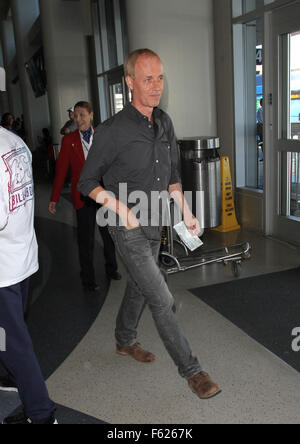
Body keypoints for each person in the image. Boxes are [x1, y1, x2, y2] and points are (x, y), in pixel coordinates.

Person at [78, 49, 221, 400]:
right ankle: (193, 371)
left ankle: (124, 340)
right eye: (147, 79)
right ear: (130, 82)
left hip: (156, 220)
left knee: (142, 286)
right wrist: (119, 209)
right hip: (125, 226)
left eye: (159, 78)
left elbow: (171, 176)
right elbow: (86, 182)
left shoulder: (165, 122)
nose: (156, 86)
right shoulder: (111, 131)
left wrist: (185, 211)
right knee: (161, 296)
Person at [0, 67, 57, 425]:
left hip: (3, 271)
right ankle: (9, 377)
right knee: (11, 334)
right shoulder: (14, 141)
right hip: (22, 260)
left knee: (14, 343)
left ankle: (41, 413)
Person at [49, 101, 121, 292]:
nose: (79, 119)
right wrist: (54, 197)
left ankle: (111, 268)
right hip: (83, 195)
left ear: (91, 116)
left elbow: (114, 165)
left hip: (103, 192)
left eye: (83, 115)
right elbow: (61, 170)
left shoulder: (103, 137)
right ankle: (88, 278)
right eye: (76, 115)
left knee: (108, 235)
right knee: (85, 239)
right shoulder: (68, 140)